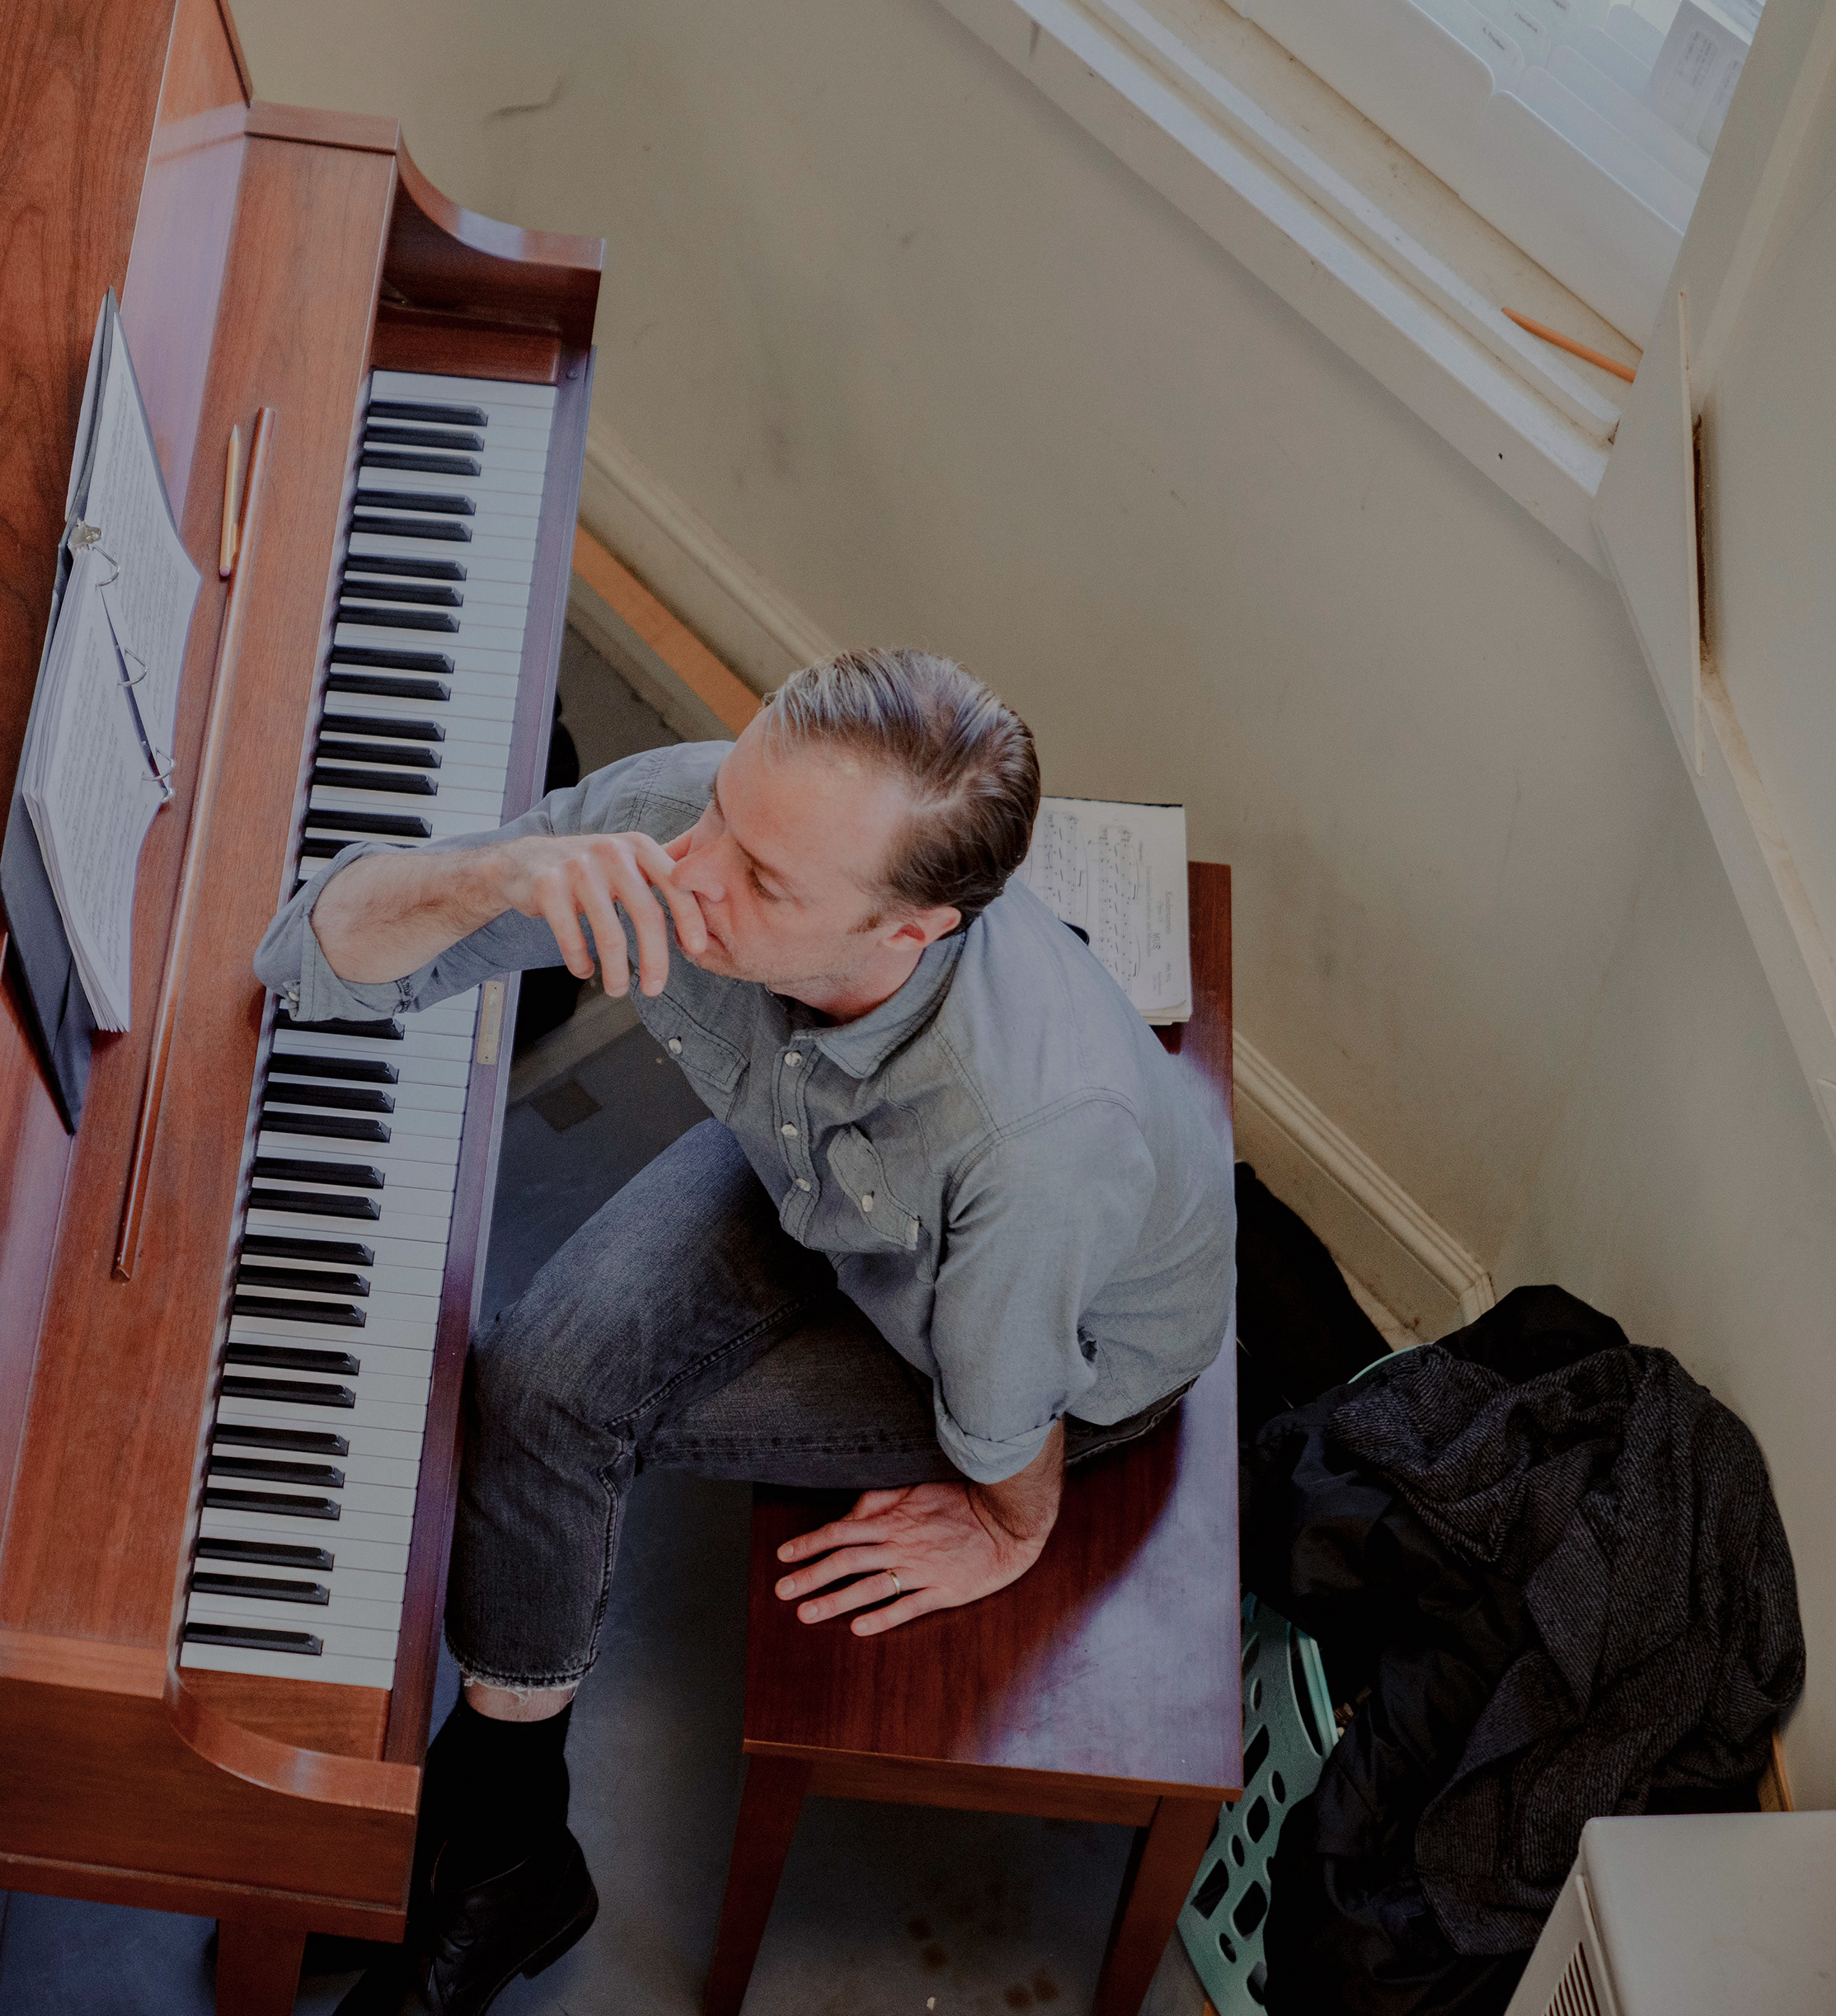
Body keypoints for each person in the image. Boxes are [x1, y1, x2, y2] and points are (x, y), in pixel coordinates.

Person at [251, 648, 1235, 2016]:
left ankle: (487, 1869)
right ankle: (503, 1855)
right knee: (535, 1378)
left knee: (560, 1412)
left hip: (1055, 1342)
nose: (694, 870)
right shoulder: (691, 828)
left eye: (766, 880)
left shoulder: (1036, 1144)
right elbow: (313, 960)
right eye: (722, 806)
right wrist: (499, 874)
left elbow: (1006, 1400)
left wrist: (1012, 1520)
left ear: (913, 930)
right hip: (818, 1168)